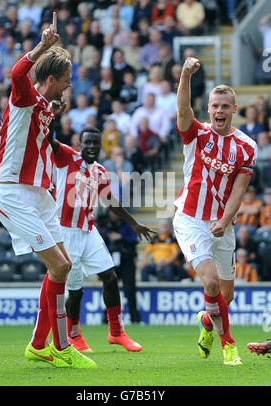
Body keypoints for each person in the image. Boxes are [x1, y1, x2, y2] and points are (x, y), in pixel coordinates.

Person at [0, 12, 96, 369]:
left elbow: (45, 143)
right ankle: (62, 348)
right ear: (51, 79)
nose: (69, 85)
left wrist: (74, 153)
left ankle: (39, 345)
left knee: (61, 268)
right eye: (65, 81)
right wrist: (43, 45)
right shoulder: (25, 96)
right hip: (11, 191)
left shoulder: (46, 106)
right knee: (60, 264)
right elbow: (17, 73)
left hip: (39, 192)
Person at [173, 56, 257, 365]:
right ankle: (229, 345)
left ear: (234, 109)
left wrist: (223, 221)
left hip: (223, 225)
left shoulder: (247, 146)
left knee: (226, 297)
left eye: (225, 106)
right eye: (214, 106)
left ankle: (207, 323)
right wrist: (185, 74)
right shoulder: (197, 134)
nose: (219, 110)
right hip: (191, 219)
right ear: (208, 109)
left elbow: (239, 190)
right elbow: (183, 110)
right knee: (210, 284)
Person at [47, 124, 156, 352]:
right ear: (80, 144)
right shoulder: (67, 157)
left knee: (110, 276)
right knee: (76, 291)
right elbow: (49, 139)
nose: (92, 146)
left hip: (89, 230)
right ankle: (74, 335)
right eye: (88, 142)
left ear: (101, 145)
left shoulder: (99, 171)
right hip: (66, 234)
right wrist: (53, 115)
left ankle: (116, 332)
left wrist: (134, 223)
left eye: (96, 143)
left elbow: (110, 202)